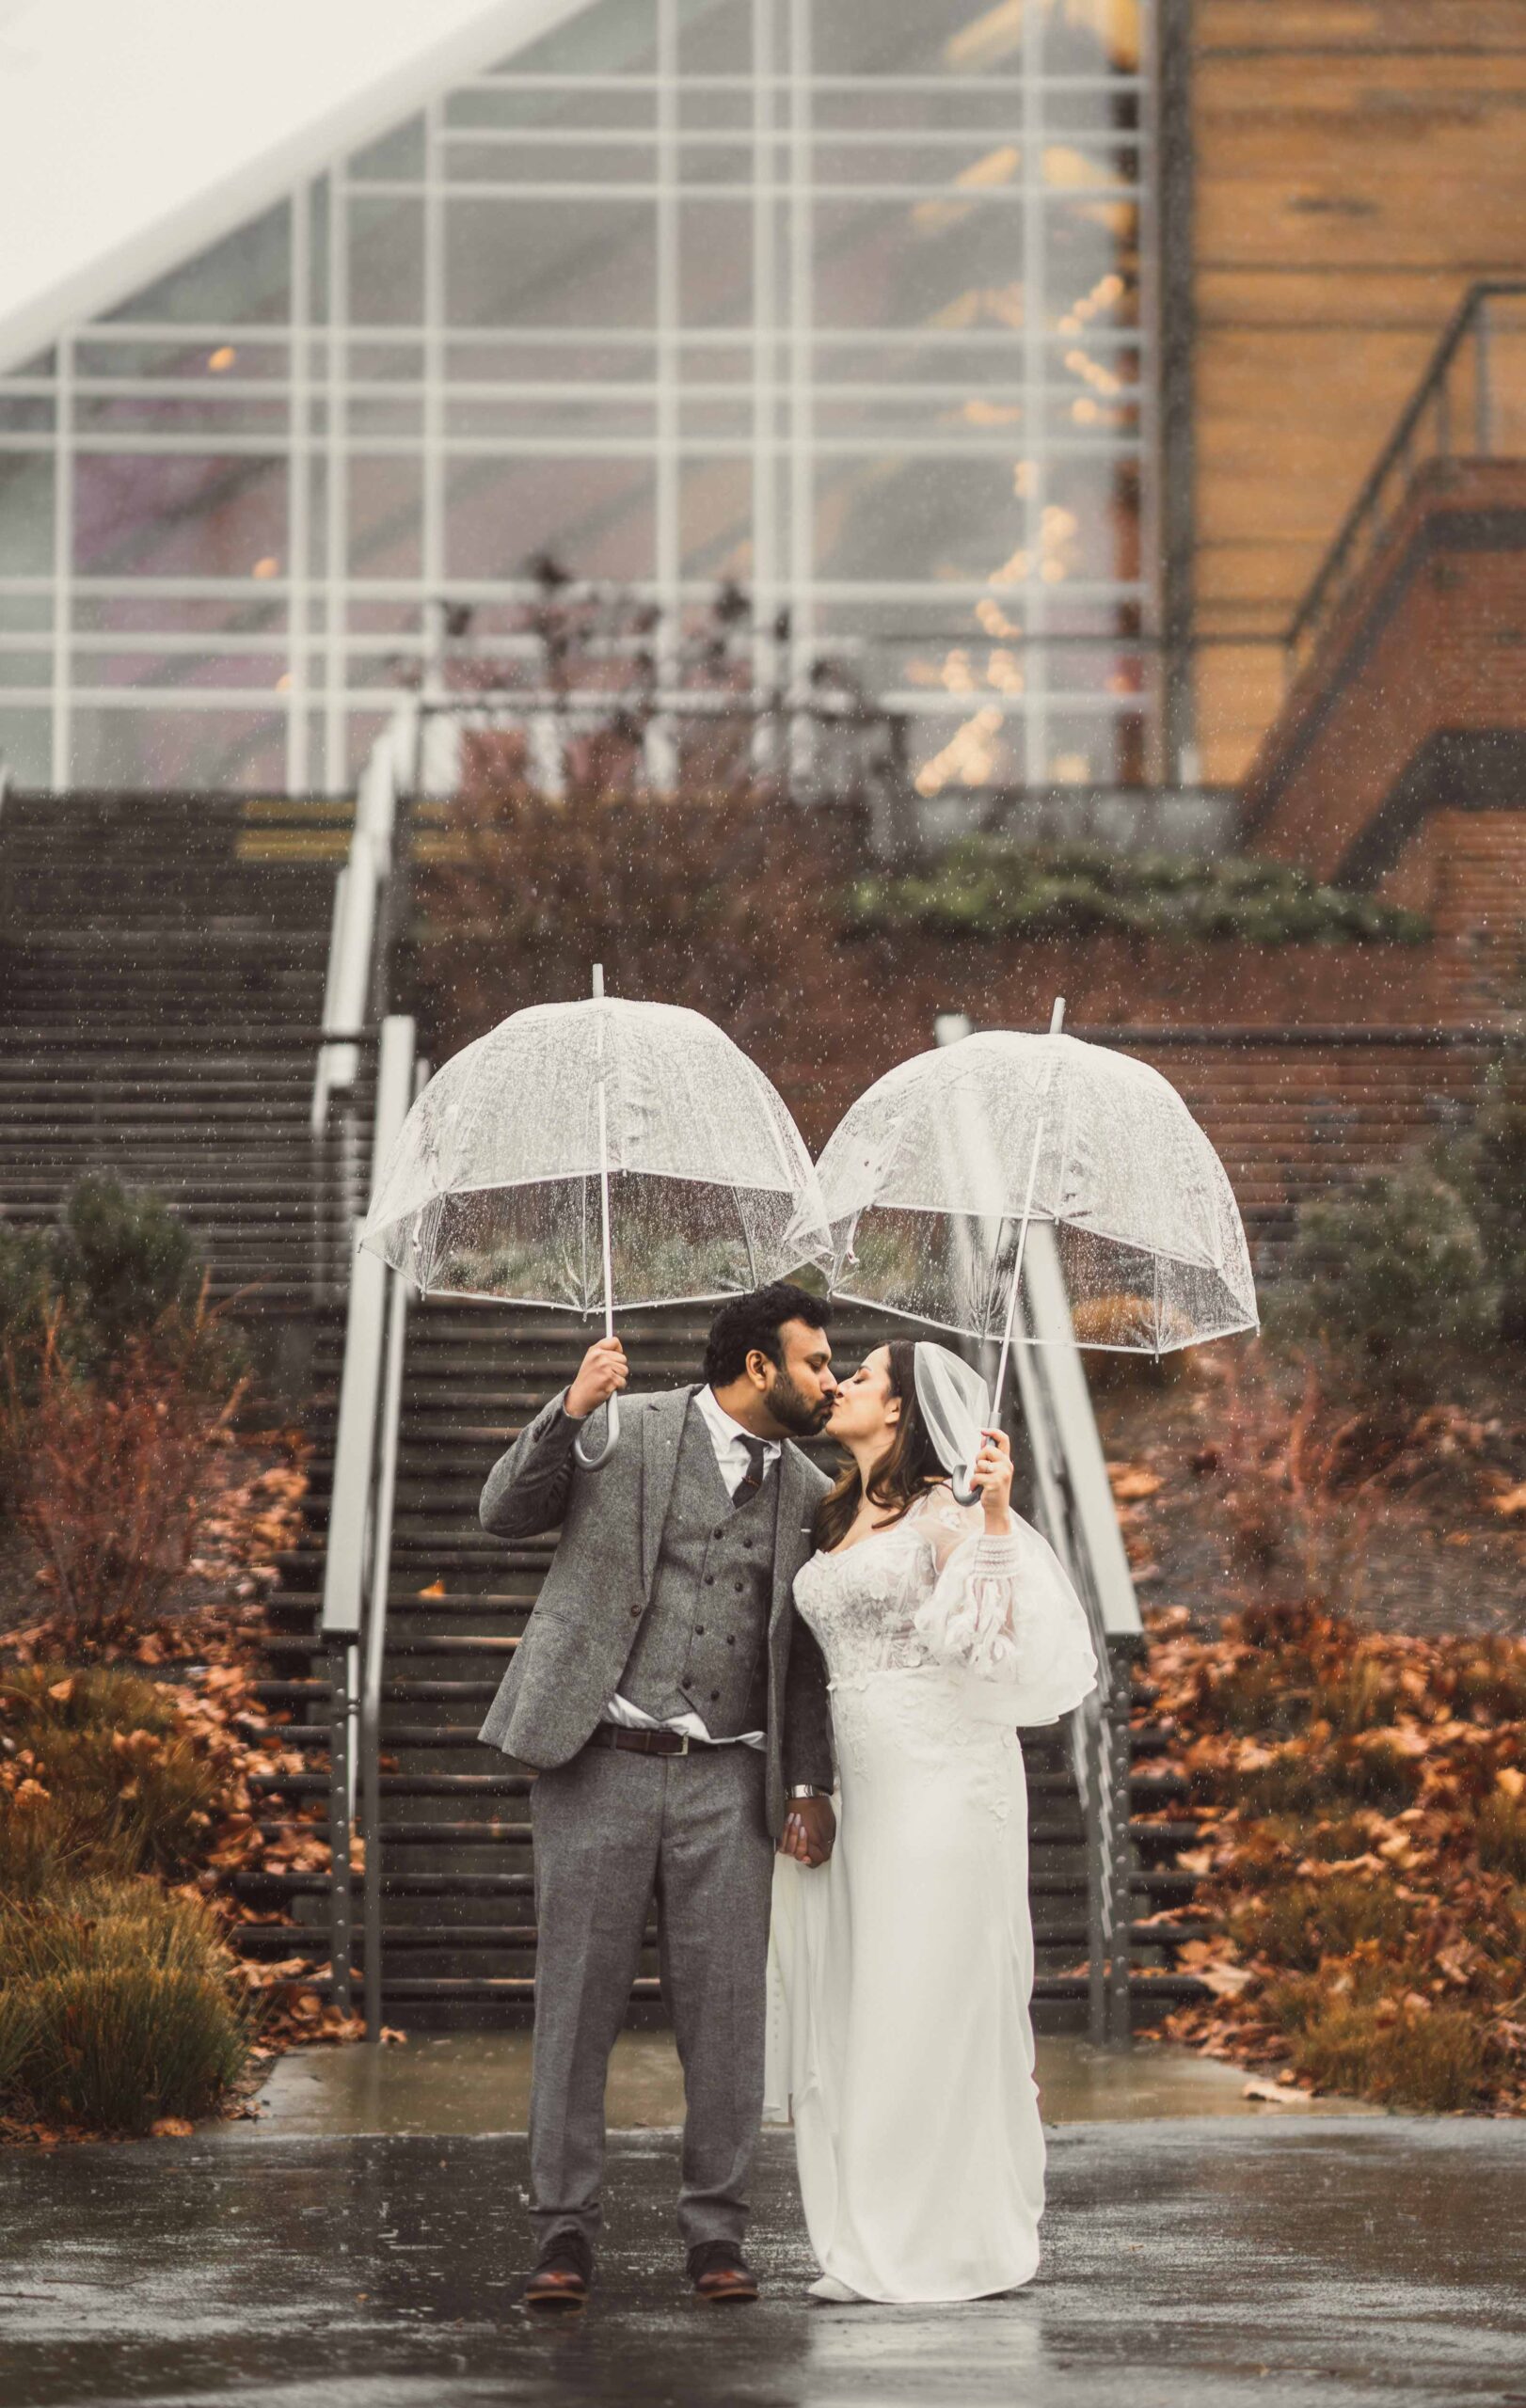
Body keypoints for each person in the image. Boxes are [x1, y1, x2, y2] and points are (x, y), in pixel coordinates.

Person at [476, 1282, 840, 2311]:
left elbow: (805, 1659)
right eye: (814, 1361)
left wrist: (807, 1778)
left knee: (727, 2017)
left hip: (730, 1774)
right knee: (576, 2004)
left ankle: (717, 2236)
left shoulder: (810, 1488)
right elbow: (502, 1511)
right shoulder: (625, 1426)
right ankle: (561, 2234)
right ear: (757, 1365)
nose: (830, 1377)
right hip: (596, 1756)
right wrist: (572, 1407)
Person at [767, 1338, 1098, 2304]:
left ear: (902, 1410)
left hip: (942, 1781)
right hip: (856, 1787)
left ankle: (946, 2241)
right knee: (858, 2004)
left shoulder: (946, 1512)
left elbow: (991, 1651)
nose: (836, 1384)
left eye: (859, 1376)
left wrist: (993, 1515)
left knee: (926, 2000)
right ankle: (865, 2234)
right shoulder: (826, 1510)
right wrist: (807, 1785)